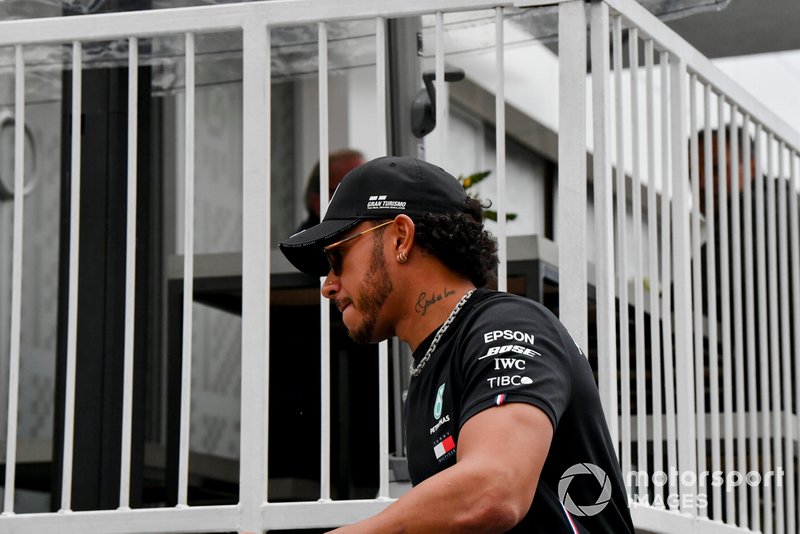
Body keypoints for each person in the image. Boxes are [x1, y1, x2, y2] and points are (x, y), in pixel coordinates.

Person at [279, 156, 634, 533]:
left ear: (401, 236)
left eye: (337, 257)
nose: (328, 284)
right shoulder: (431, 366)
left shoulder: (505, 325)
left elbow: (494, 491)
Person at [297, 148, 365, 232]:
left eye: (367, 187)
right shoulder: (306, 243)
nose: (365, 196)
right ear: (317, 202)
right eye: (351, 189)